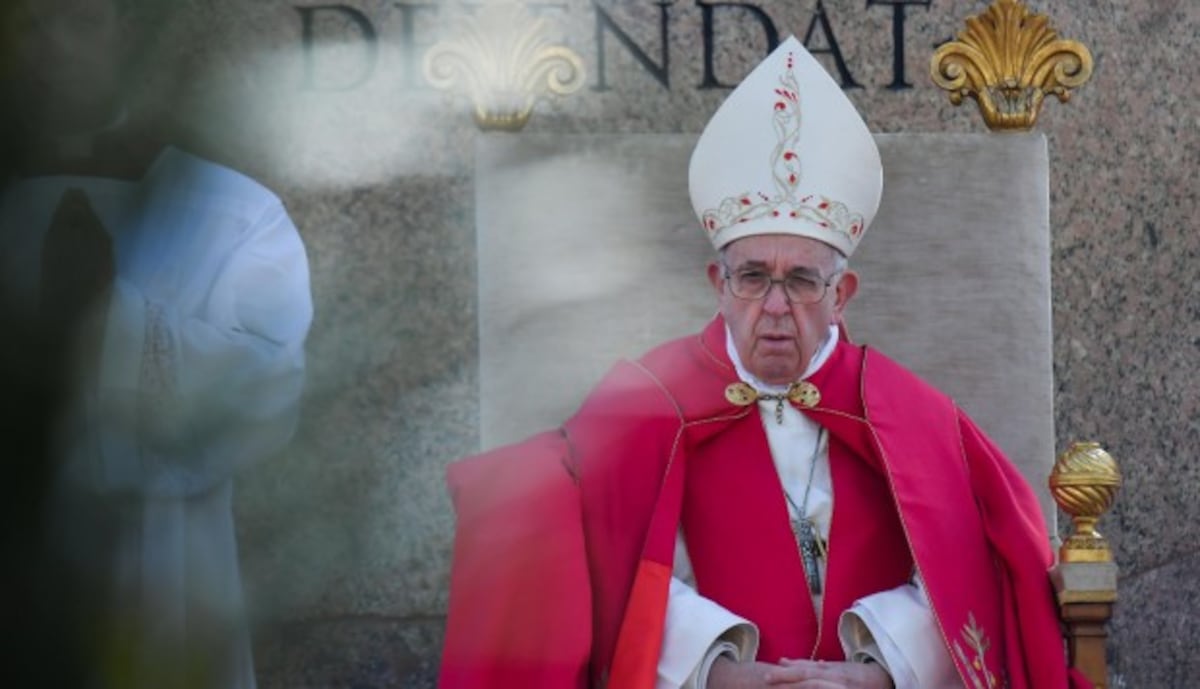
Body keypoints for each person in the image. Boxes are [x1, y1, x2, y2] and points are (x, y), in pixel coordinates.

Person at [440, 37, 1087, 689]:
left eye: (802, 280)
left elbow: (966, 563)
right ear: (718, 285)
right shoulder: (648, 402)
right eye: (752, 277)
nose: (775, 306)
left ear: (841, 295)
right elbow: (608, 558)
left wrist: (876, 671)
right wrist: (717, 669)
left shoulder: (907, 414)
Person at [0, 1, 313, 687]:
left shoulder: (236, 213)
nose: (50, 43)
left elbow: (266, 396)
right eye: (30, 21)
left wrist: (107, 313)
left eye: (80, 17)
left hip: (166, 572)